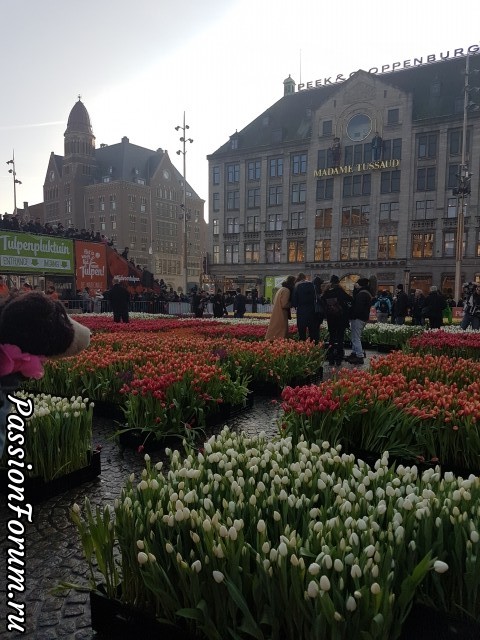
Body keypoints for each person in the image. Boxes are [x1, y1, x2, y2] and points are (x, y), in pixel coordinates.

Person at [320, 275, 353, 366]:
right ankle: (338, 358)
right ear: (338, 282)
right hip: (341, 318)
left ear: (331, 282)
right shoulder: (340, 291)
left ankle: (331, 358)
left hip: (331, 318)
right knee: (340, 339)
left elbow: (321, 302)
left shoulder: (326, 292)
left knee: (331, 338)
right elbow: (350, 299)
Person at [346, 278, 372, 365]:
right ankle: (354, 353)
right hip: (363, 318)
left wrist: (352, 316)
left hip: (358, 318)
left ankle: (359, 356)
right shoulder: (366, 293)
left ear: (360, 284)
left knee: (356, 337)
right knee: (355, 337)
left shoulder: (361, 294)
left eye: (357, 283)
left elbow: (357, 307)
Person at [265, 275, 296, 341]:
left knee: (274, 330)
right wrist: (292, 304)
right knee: (280, 333)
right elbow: (284, 304)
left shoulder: (281, 289)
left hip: (277, 313)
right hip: (281, 314)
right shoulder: (286, 290)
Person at [292, 272, 317, 342]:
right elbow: (315, 297)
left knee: (302, 329)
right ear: (305, 277)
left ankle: (302, 343)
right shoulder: (311, 284)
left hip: (301, 310)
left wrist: (295, 305)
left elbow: (294, 300)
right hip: (311, 309)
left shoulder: (297, 285)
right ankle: (312, 343)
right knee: (311, 328)